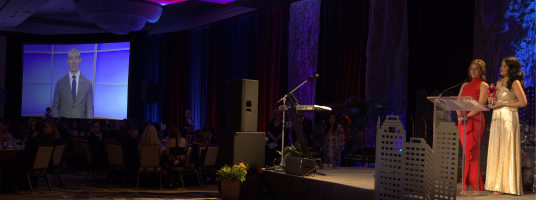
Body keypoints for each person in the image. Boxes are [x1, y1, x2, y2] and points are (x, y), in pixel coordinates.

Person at [485, 57, 527, 195]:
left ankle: (507, 185)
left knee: (506, 147)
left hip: (509, 117)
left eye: (504, 66)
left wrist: (503, 104)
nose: (500, 68)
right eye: (501, 65)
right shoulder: (498, 82)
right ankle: (496, 184)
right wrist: (492, 101)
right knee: (496, 147)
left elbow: (523, 103)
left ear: (511, 68)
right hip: (497, 117)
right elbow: (495, 103)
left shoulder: (514, 82)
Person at [455, 59, 489, 191]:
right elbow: (457, 101)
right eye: (471, 69)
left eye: (476, 69)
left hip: (475, 121)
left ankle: (476, 185)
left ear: (481, 71)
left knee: (473, 152)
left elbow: (481, 105)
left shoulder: (483, 85)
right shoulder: (464, 85)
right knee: (466, 152)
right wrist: (459, 115)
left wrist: (467, 116)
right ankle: (467, 183)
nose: (473, 71)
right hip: (462, 121)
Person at [52, 48, 94, 119]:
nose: (73, 62)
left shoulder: (87, 83)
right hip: (63, 127)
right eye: (71, 59)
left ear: (80, 60)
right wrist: (58, 124)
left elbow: (89, 109)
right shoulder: (60, 82)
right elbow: (55, 107)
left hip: (81, 127)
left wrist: (87, 127)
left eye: (76, 58)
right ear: (67, 61)